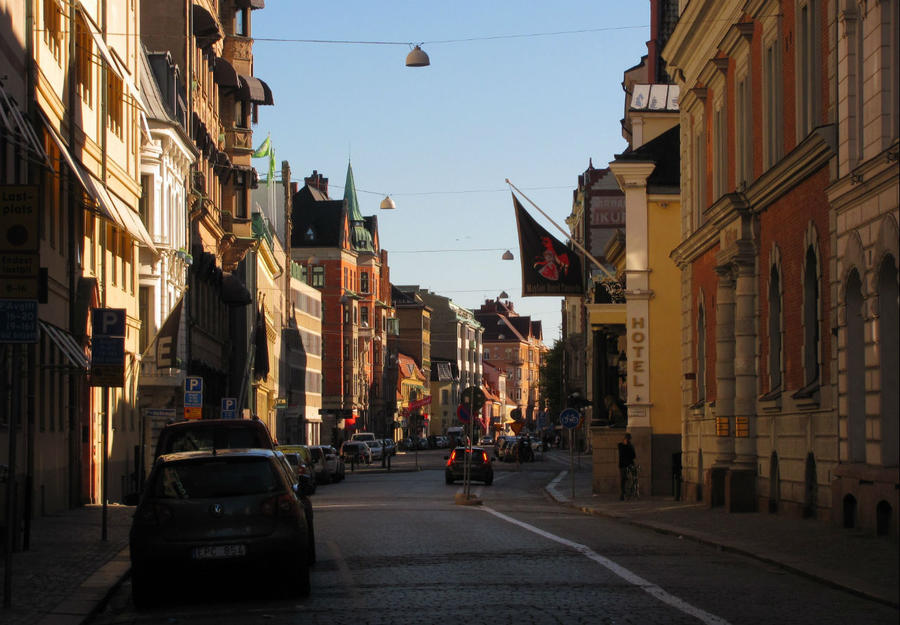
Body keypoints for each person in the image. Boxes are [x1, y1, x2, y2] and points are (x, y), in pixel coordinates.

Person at [617, 433, 636, 500]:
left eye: (628, 439)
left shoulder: (630, 446)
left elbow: (633, 455)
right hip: (623, 465)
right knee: (623, 479)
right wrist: (627, 446)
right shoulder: (620, 445)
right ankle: (623, 493)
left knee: (632, 478)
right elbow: (622, 453)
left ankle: (631, 492)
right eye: (626, 439)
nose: (627, 440)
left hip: (630, 464)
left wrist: (629, 446)